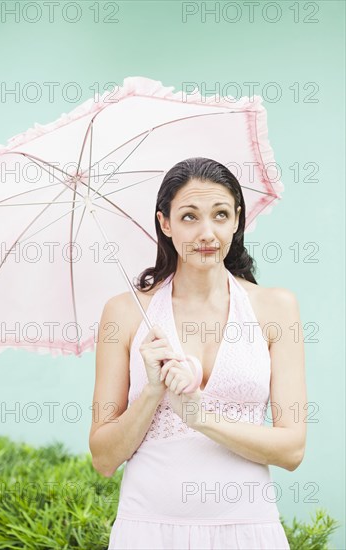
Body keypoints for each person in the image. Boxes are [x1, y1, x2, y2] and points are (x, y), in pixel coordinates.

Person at [89, 157, 307, 549]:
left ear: (237, 219)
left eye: (220, 214)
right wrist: (152, 393)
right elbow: (104, 459)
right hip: (147, 530)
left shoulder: (276, 308)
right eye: (189, 217)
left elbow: (292, 449)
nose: (207, 232)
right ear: (165, 223)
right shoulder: (123, 314)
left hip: (248, 530)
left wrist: (200, 418)